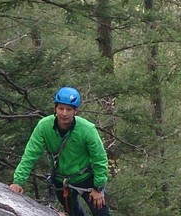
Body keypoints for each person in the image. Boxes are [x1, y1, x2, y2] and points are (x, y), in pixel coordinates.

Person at [9, 87, 110, 216]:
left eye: (69, 109)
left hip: (86, 178)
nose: (64, 113)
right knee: (74, 213)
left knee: (102, 213)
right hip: (61, 180)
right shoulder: (44, 127)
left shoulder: (87, 130)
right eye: (61, 108)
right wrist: (18, 181)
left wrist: (98, 188)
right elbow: (30, 155)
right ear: (55, 109)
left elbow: (99, 159)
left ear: (75, 111)